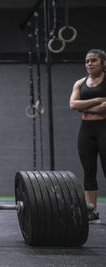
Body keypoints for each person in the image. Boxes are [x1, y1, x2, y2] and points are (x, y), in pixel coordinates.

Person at [70, 49, 106, 223]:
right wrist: (97, 100)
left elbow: (104, 108)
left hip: (103, 127)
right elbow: (72, 104)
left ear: (103, 63)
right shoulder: (80, 83)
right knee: (89, 171)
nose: (89, 64)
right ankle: (91, 211)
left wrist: (83, 106)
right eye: (87, 61)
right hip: (86, 130)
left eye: (93, 60)